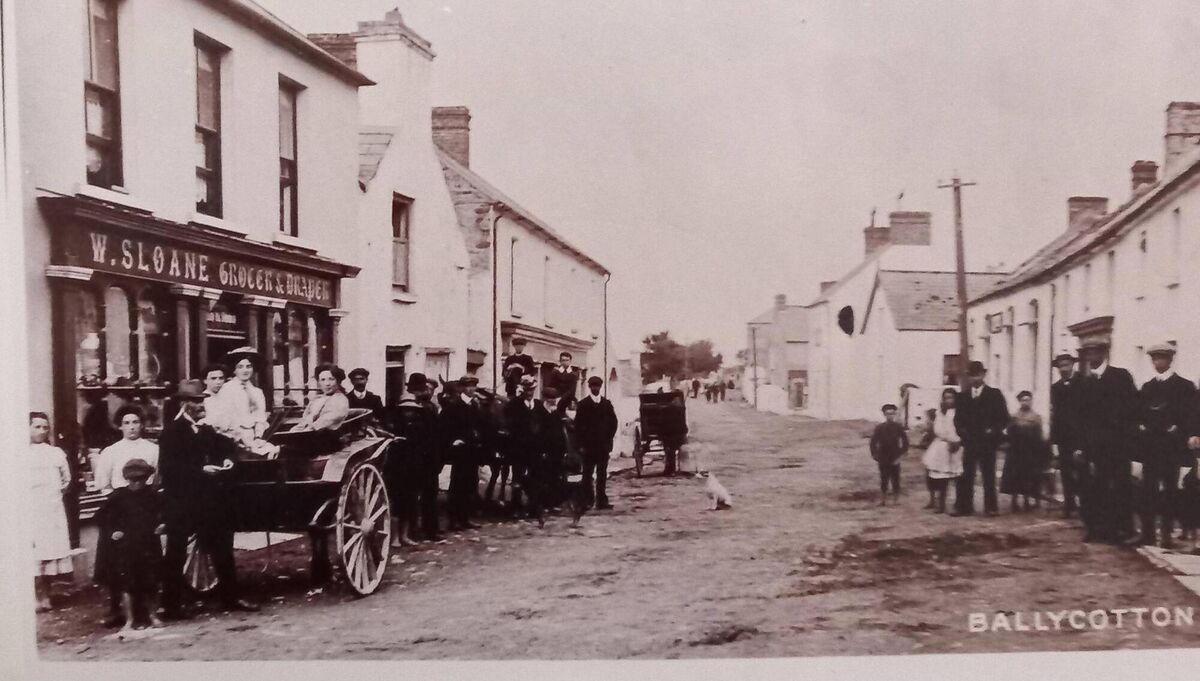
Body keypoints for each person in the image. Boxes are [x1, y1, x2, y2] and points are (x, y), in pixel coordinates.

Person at [159, 380, 259, 618]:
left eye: (201, 400)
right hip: (181, 501)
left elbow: (224, 447)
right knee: (176, 552)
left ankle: (230, 598)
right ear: (184, 404)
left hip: (208, 500)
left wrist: (227, 460)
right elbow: (169, 470)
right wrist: (200, 470)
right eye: (195, 401)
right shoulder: (172, 432)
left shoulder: (205, 429)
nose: (200, 405)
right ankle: (170, 606)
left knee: (222, 548)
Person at [1073, 337, 1139, 543]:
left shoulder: (1120, 377)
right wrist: (1081, 446)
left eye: (1095, 353)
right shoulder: (1084, 382)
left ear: (1103, 353)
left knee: (1120, 487)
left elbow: (1132, 410)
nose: (1091, 357)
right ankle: (1096, 529)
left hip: (1118, 445)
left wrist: (1127, 440)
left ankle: (1122, 529)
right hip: (1094, 447)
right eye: (1087, 354)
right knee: (1094, 487)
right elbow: (1080, 418)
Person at [94, 458, 164, 634]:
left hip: (149, 543)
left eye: (141, 479)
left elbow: (166, 513)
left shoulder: (153, 495)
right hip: (127, 546)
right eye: (133, 480)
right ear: (126, 479)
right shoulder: (118, 496)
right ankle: (129, 619)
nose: (137, 483)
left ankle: (153, 615)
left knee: (152, 581)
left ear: (147, 478)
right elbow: (101, 517)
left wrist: (163, 524)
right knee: (127, 584)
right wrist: (113, 531)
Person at [1138, 343, 1196, 548]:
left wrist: (1190, 434)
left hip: (1172, 448)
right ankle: (1147, 534)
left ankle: (1167, 535)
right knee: (1148, 490)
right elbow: (1141, 413)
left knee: (1170, 490)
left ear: (1170, 360)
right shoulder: (1147, 387)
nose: (1157, 362)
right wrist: (1143, 427)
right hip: (1151, 448)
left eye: (1161, 358)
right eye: (1154, 359)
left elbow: (1192, 415)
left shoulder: (1184, 386)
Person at [383, 373, 437, 548]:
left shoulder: (422, 416)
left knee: (410, 499)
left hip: (414, 463)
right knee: (396, 499)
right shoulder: (395, 419)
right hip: (397, 463)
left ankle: (404, 535)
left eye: (412, 410)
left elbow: (426, 439)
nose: (409, 413)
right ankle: (394, 537)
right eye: (406, 410)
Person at [28, 412, 73, 612]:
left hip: (51, 507)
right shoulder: (17, 452)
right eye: (37, 427)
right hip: (29, 509)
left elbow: (66, 480)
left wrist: (54, 495)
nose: (42, 431)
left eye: (45, 427)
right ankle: (35, 596)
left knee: (47, 553)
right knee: (32, 553)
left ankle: (46, 595)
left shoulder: (55, 453)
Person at [952, 361, 1010, 517]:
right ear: (968, 377)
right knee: (966, 475)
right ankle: (964, 507)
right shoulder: (963, 396)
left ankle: (991, 508)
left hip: (987, 442)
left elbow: (1004, 418)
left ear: (984, 375)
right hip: (969, 442)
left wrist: (993, 430)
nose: (975, 378)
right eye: (972, 375)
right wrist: (963, 433)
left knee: (988, 475)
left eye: (978, 374)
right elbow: (957, 420)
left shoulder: (994, 394)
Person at [207, 347, 278, 457]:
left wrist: (258, 437)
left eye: (248, 366)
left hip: (254, 438)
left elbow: (260, 417)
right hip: (234, 439)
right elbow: (225, 419)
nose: (245, 370)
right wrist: (242, 439)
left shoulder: (257, 392)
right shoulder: (227, 389)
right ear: (234, 370)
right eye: (240, 367)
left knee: (273, 453)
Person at [440, 379, 480, 531]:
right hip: (460, 451)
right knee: (457, 484)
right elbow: (444, 426)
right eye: (468, 386)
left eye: (473, 386)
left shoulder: (474, 405)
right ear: (462, 388)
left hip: (472, 450)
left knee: (470, 483)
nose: (471, 389)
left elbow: (478, 425)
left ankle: (465, 518)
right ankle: (453, 520)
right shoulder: (454, 406)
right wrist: (453, 441)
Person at [575, 376, 619, 510]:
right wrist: (581, 445)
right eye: (593, 386)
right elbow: (578, 426)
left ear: (600, 387)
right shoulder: (583, 405)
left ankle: (601, 501)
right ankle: (587, 500)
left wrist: (608, 439)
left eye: (597, 386)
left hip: (603, 446)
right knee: (587, 474)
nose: (595, 388)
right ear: (589, 387)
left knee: (602, 474)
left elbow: (613, 423)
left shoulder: (606, 404)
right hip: (588, 447)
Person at [1002, 391, 1050, 513]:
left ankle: (1027, 500)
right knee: (1015, 476)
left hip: (1031, 451)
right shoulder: (1014, 417)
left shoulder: (1036, 417)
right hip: (1016, 450)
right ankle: (1014, 500)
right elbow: (1009, 432)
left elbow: (1039, 435)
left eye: (1028, 400)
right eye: (1023, 400)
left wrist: (1041, 451)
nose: (1026, 402)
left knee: (1029, 476)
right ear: (1019, 401)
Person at [94, 406, 159, 492]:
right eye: (126, 423)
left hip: (147, 497)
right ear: (120, 426)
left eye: (135, 422)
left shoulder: (154, 449)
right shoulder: (110, 451)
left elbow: (158, 478)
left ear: (142, 425)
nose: (131, 427)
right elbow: (102, 483)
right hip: (119, 498)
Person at [530, 387, 570, 527]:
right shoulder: (537, 412)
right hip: (542, 452)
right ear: (545, 399)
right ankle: (538, 506)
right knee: (541, 480)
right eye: (550, 399)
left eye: (554, 398)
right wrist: (541, 450)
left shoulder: (556, 413)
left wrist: (563, 449)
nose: (552, 401)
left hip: (556, 452)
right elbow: (536, 433)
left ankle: (551, 503)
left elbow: (560, 433)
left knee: (554, 478)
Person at [1050, 353, 1083, 518]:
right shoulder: (1055, 388)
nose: (1064, 369)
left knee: (1082, 472)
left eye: (1066, 365)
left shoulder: (1083, 383)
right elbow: (1055, 415)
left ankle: (1085, 506)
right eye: (1061, 366)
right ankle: (1069, 505)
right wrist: (1054, 441)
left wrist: (1083, 442)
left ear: (1072, 365)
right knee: (1066, 473)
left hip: (1081, 437)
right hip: (1063, 438)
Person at [503, 375, 540, 514]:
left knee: (534, 476)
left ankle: (533, 505)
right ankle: (516, 505)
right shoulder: (514, 405)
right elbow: (509, 424)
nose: (530, 393)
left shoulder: (537, 405)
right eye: (527, 390)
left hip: (534, 449)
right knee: (517, 477)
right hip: (519, 448)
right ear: (523, 390)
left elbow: (542, 424)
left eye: (532, 390)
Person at [921, 388, 962, 514]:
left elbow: (959, 429)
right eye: (946, 398)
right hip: (940, 445)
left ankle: (957, 503)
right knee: (938, 475)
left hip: (956, 445)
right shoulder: (940, 413)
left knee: (955, 475)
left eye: (951, 397)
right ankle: (938, 502)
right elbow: (937, 429)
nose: (948, 400)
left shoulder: (959, 412)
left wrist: (955, 441)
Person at [869, 404, 909, 505]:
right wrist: (875, 455)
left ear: (894, 414)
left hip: (895, 456)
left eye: (892, 414)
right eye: (887, 414)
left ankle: (896, 500)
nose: (890, 416)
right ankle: (883, 500)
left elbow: (905, 441)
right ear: (884, 414)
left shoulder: (898, 427)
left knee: (895, 478)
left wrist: (902, 454)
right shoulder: (880, 427)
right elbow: (873, 442)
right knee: (884, 478)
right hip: (883, 457)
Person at [292, 364, 350, 432]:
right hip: (310, 434)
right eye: (322, 380)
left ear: (338, 381)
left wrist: (308, 430)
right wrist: (295, 430)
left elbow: (326, 421)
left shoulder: (341, 400)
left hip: (327, 436)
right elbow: (305, 420)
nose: (327, 384)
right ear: (319, 382)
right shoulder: (317, 399)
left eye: (331, 379)